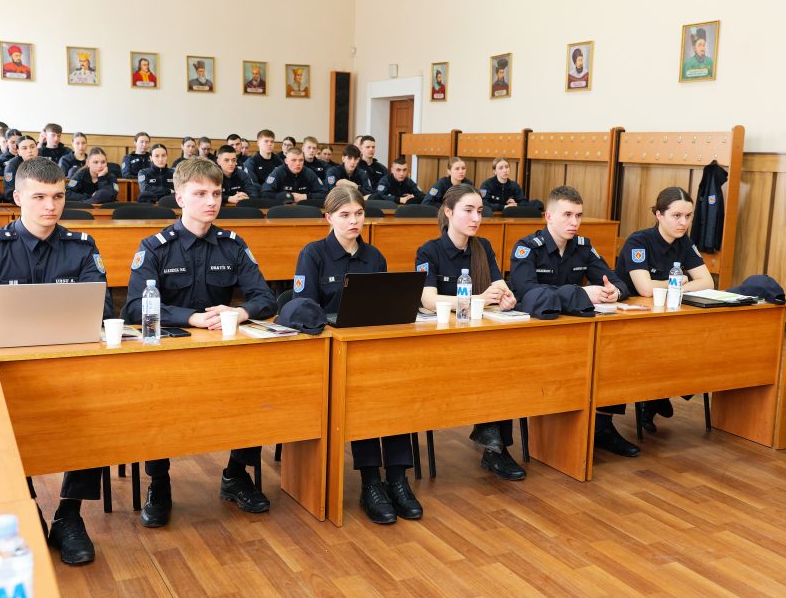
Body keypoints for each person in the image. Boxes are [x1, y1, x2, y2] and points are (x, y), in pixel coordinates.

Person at [0, 158, 109, 566]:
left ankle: (69, 515)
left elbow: (100, 307)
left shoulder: (82, 246)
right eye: (39, 196)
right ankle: (29, 508)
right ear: (19, 197)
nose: (50, 206)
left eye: (58, 196)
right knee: (7, 421)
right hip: (8, 366)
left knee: (98, 404)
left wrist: (30, 322)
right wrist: (41, 325)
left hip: (69, 364)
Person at [123, 158, 278, 527]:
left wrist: (240, 312)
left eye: (217, 193)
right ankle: (159, 483)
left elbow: (265, 298)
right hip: (170, 352)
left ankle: (236, 474)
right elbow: (133, 307)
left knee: (256, 388)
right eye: (201, 193)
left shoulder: (232, 244)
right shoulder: (155, 247)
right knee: (155, 398)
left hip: (221, 349)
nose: (211, 201)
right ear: (180, 198)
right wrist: (189, 317)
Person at [293, 185, 422, 524]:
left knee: (394, 391)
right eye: (345, 215)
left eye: (359, 214)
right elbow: (302, 306)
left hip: (371, 346)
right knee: (362, 394)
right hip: (331, 351)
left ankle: (398, 478)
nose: (354, 221)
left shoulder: (374, 256)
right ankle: (370, 482)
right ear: (328, 218)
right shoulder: (313, 254)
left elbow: (384, 302)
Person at [509, 185, 638, 457]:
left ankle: (602, 426)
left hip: (577, 331)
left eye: (578, 215)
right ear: (548, 217)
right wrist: (580, 294)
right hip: (538, 333)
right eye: (567, 215)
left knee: (614, 352)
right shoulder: (527, 248)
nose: (574, 222)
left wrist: (613, 292)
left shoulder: (583, 247)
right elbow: (528, 294)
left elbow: (617, 281)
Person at [415, 184, 524, 480]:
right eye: (468, 210)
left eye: (479, 211)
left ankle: (494, 444)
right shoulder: (430, 250)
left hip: (479, 335)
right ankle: (493, 440)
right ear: (449, 212)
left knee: (506, 362)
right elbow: (428, 299)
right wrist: (476, 299)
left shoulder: (482, 247)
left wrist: (506, 297)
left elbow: (499, 285)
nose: (476, 218)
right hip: (442, 340)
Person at [615, 186, 715, 432]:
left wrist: (677, 284)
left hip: (666, 316)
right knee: (666, 349)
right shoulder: (639, 241)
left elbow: (707, 282)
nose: (683, 223)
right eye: (676, 216)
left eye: (688, 216)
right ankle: (655, 396)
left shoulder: (684, 242)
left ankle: (659, 394)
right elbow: (645, 289)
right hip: (631, 320)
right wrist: (679, 281)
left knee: (698, 346)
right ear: (659, 215)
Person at [260, 147, 327, 203]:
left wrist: (305, 196)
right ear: (286, 161)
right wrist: (286, 196)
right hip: (282, 208)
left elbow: (324, 194)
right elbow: (264, 193)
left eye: (301, 160)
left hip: (303, 208)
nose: (298, 164)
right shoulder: (278, 172)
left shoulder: (309, 173)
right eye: (293, 160)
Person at [3, 135, 40, 202]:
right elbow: (9, 192)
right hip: (20, 202)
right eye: (24, 148)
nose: (29, 151)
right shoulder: (11, 166)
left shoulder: (44, 163)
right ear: (18, 151)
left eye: (32, 147)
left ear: (37, 149)